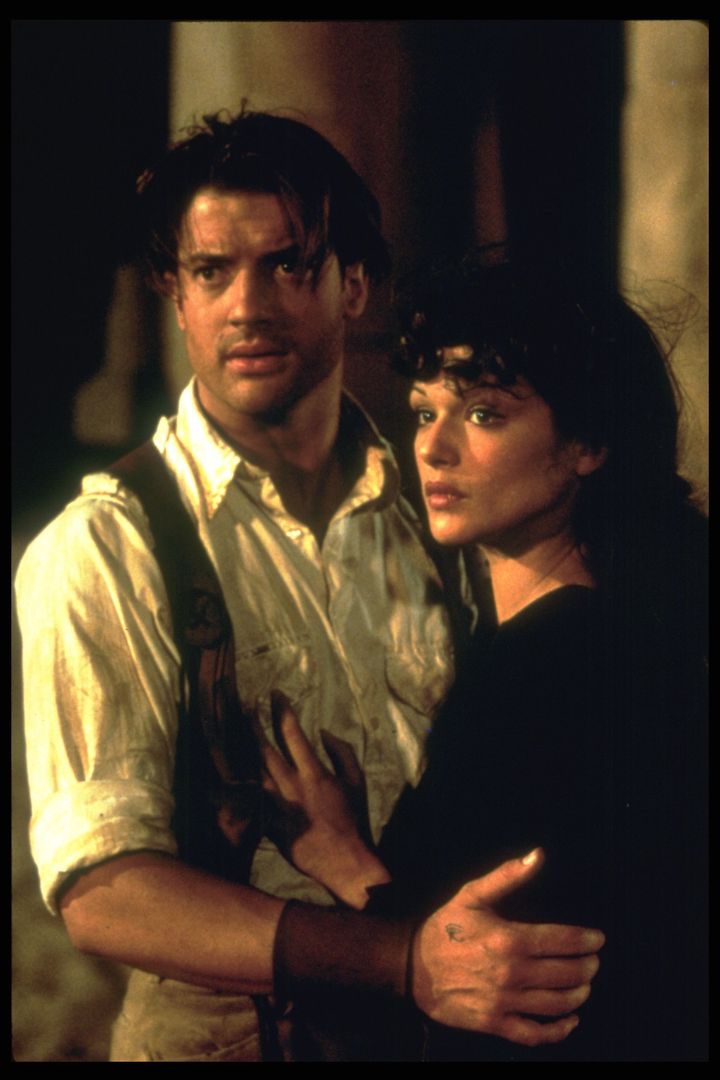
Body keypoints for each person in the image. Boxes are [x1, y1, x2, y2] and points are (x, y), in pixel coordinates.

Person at [15, 115, 603, 1062]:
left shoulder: (442, 513)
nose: (247, 306)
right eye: (211, 271)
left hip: (440, 1031)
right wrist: (402, 959)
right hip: (227, 1036)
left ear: (353, 286)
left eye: (288, 265)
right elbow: (104, 894)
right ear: (175, 295)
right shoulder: (108, 546)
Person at [262, 260, 708, 1061]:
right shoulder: (626, 631)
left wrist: (343, 857)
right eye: (423, 411)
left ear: (588, 442)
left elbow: (458, 965)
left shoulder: (541, 669)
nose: (434, 448)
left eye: (483, 414)